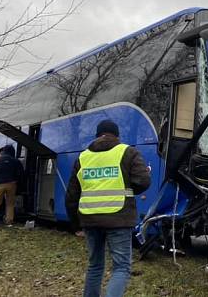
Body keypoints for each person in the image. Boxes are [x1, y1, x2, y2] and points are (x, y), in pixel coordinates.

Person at [65, 120, 151, 297]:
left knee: (95, 266)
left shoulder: (83, 157)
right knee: (121, 267)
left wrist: (76, 225)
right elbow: (143, 181)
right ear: (117, 136)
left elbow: (71, 196)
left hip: (90, 219)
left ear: (97, 135)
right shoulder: (128, 152)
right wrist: (127, 191)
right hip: (118, 218)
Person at [0, 145, 23, 227]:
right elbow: (20, 174)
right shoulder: (16, 161)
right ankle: (9, 222)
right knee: (10, 204)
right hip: (12, 184)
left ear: (4, 151)